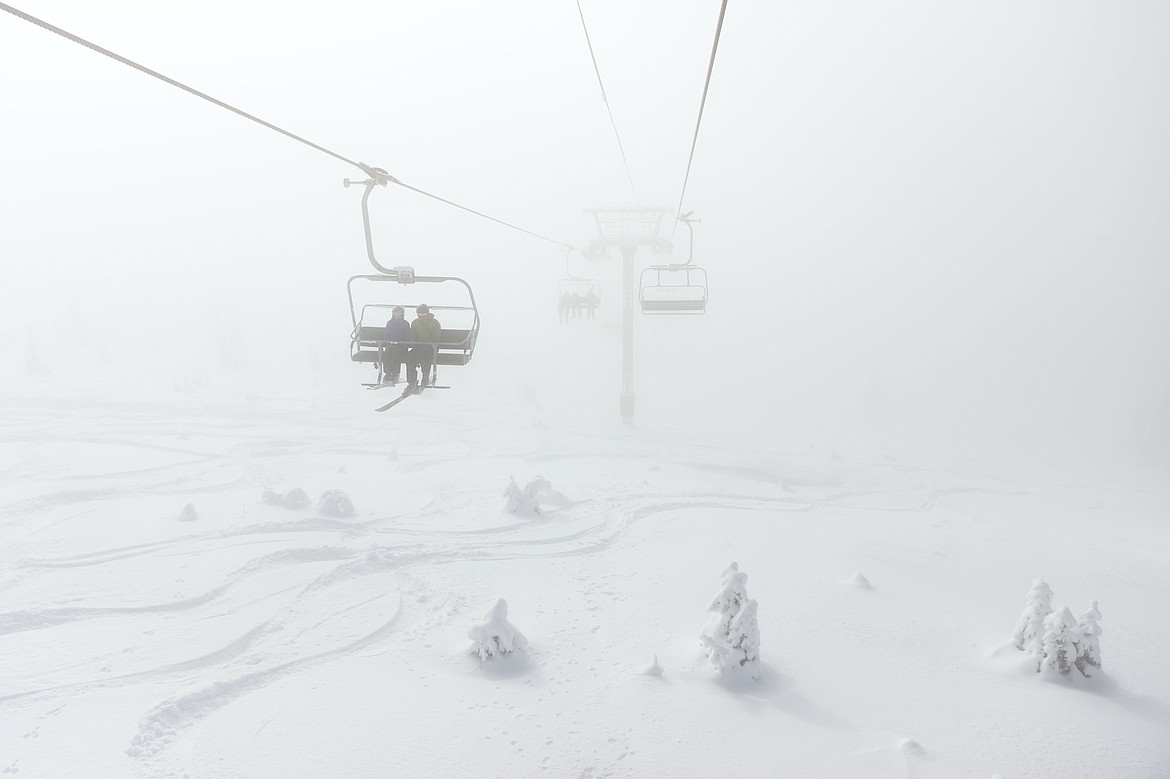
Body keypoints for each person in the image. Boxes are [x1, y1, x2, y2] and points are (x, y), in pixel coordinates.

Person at [407, 303, 442, 392]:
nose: (421, 316)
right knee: (410, 358)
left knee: (426, 356)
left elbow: (436, 338)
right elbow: (412, 336)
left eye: (423, 314)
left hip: (430, 348)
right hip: (418, 347)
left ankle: (425, 377)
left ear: (427, 313)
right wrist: (415, 345)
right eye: (419, 314)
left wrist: (426, 341)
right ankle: (412, 381)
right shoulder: (415, 322)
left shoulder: (435, 323)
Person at [381, 306, 410, 384]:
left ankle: (395, 374)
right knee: (386, 354)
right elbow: (386, 335)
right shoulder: (390, 323)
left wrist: (400, 343)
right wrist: (388, 343)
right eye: (395, 313)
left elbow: (406, 336)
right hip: (391, 346)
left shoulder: (405, 324)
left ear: (402, 314)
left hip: (401, 347)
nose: (396, 315)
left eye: (398, 313)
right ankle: (388, 373)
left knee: (396, 354)